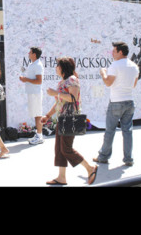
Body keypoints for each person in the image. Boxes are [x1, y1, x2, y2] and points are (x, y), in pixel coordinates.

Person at [41, 57, 98, 186]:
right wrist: (48, 116)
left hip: (70, 118)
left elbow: (73, 98)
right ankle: (61, 177)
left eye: (57, 65)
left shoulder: (72, 80)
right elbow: (58, 103)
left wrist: (56, 93)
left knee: (66, 149)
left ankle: (90, 168)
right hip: (62, 118)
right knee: (60, 149)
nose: (56, 67)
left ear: (62, 67)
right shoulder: (62, 82)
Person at [93, 42, 139, 166]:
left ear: (120, 52)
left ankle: (103, 156)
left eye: (114, 51)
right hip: (129, 100)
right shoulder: (134, 66)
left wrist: (103, 72)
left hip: (116, 101)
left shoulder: (115, 65)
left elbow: (108, 83)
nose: (112, 53)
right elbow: (133, 85)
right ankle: (128, 158)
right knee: (127, 131)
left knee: (110, 130)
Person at [19, 47, 44, 145]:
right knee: (35, 114)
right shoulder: (32, 64)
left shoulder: (38, 65)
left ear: (34, 54)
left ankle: (40, 136)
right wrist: (25, 77)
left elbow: (39, 81)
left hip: (36, 93)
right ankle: (38, 134)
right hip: (32, 92)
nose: (28, 53)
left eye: (30, 52)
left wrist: (26, 80)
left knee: (38, 114)